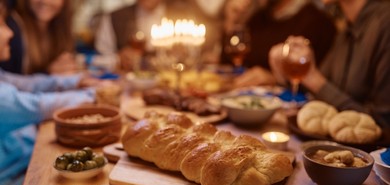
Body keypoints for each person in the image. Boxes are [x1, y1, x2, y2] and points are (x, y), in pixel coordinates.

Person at [0, 0, 112, 185]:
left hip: (18, 160)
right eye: (1, 24)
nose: (10, 31)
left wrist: (72, 81)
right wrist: (94, 94)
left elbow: (27, 84)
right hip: (6, 184)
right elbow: (34, 105)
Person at [269, 0, 390, 128]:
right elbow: (321, 90)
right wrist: (289, 69)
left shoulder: (385, 24)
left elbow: (384, 123)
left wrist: (312, 78)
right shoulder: (347, 28)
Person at [221, 0, 337, 87]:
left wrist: (274, 80)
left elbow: (316, 86)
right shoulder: (259, 17)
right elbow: (228, 63)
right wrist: (232, 21)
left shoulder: (318, 23)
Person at [94, 0, 226, 71]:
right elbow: (98, 60)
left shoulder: (182, 14)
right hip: (130, 90)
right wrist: (118, 59)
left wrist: (185, 53)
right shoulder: (115, 17)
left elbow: (198, 53)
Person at [2, 0, 78, 75]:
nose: (45, 1)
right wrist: (49, 75)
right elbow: (7, 80)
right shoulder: (12, 29)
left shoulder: (61, 31)